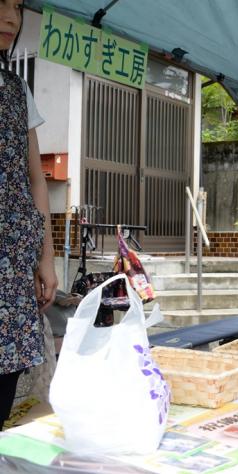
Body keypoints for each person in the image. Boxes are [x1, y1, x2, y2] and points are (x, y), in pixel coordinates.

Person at [1, 0, 57, 429]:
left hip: (14, 273)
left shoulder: (16, 89)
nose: (11, 18)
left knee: (4, 389)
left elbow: (36, 179)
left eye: (17, 7)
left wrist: (46, 257)